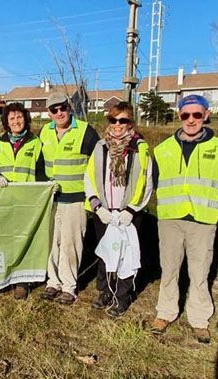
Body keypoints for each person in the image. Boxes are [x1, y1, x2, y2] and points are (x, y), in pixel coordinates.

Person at [148, 95, 218, 344]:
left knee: (200, 271)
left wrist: (209, 203)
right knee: (169, 268)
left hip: (202, 220)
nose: (191, 120)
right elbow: (156, 181)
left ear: (206, 115)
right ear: (179, 116)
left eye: (197, 114)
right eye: (186, 115)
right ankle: (165, 312)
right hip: (170, 219)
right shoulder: (163, 149)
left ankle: (199, 318)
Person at [84, 101, 153, 318]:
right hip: (104, 211)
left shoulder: (140, 148)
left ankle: (122, 295)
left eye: (122, 120)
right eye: (113, 120)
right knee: (105, 252)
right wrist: (96, 205)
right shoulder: (100, 147)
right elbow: (89, 176)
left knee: (126, 255)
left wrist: (132, 210)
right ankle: (105, 290)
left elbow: (147, 182)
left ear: (130, 122)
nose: (117, 125)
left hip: (128, 213)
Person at [39, 93, 100, 305]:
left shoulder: (85, 131)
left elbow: (97, 164)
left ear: (69, 107)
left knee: (70, 244)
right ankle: (52, 282)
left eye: (62, 108)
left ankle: (68, 286)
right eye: (54, 110)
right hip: (52, 199)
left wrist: (92, 198)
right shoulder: (44, 132)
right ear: (49, 113)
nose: (59, 113)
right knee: (51, 242)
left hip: (76, 199)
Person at [0, 102, 48, 300]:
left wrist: (46, 190)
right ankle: (3, 277)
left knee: (24, 240)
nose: (16, 121)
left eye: (19, 117)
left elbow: (41, 172)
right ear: (6, 122)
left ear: (25, 119)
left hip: (26, 201)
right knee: (4, 239)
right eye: (12, 118)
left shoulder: (36, 143)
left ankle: (22, 282)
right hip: (4, 200)